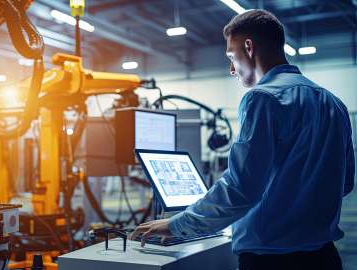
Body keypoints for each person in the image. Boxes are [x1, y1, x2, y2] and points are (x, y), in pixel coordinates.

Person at [130, 9, 354, 270]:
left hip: (273, 262)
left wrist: (177, 225)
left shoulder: (263, 99)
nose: (231, 69)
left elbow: (241, 188)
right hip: (325, 258)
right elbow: (345, 182)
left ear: (248, 47)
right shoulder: (333, 103)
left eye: (230, 56)